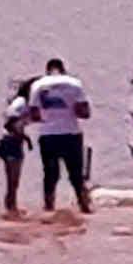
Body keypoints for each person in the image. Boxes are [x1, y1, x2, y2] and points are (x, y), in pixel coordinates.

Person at [21, 58, 94, 212]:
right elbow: (85, 113)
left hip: (48, 134)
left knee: (50, 174)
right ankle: (84, 207)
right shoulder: (74, 84)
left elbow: (34, 114)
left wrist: (49, 116)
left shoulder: (38, 85)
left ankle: (49, 207)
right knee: (76, 174)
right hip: (71, 133)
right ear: (63, 69)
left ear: (47, 70)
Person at [0, 78, 34, 214]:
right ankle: (11, 208)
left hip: (13, 142)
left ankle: (12, 207)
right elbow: (10, 124)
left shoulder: (23, 103)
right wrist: (25, 138)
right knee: (12, 180)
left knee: (13, 181)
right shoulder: (21, 103)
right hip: (11, 142)